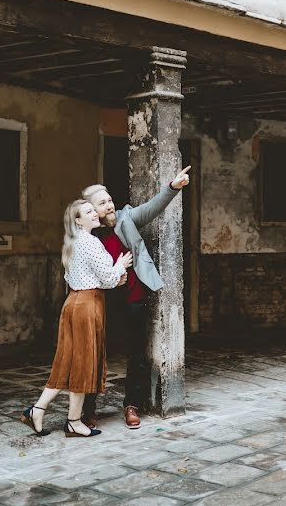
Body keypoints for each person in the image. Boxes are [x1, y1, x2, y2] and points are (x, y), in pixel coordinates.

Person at [81, 166, 190, 429]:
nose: (109, 205)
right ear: (90, 209)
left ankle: (132, 405)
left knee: (136, 354)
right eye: (102, 203)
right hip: (101, 300)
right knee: (95, 353)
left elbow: (151, 208)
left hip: (132, 297)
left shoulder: (125, 218)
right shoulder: (86, 232)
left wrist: (172, 187)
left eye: (109, 200)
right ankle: (88, 408)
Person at [20, 199, 132, 438]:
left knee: (68, 361)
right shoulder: (90, 242)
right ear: (78, 221)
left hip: (73, 302)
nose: (95, 213)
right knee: (81, 363)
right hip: (87, 305)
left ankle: (38, 410)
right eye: (89, 211)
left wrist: (111, 276)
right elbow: (109, 278)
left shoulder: (72, 242)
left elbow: (93, 277)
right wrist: (120, 265)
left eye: (94, 210)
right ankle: (72, 421)